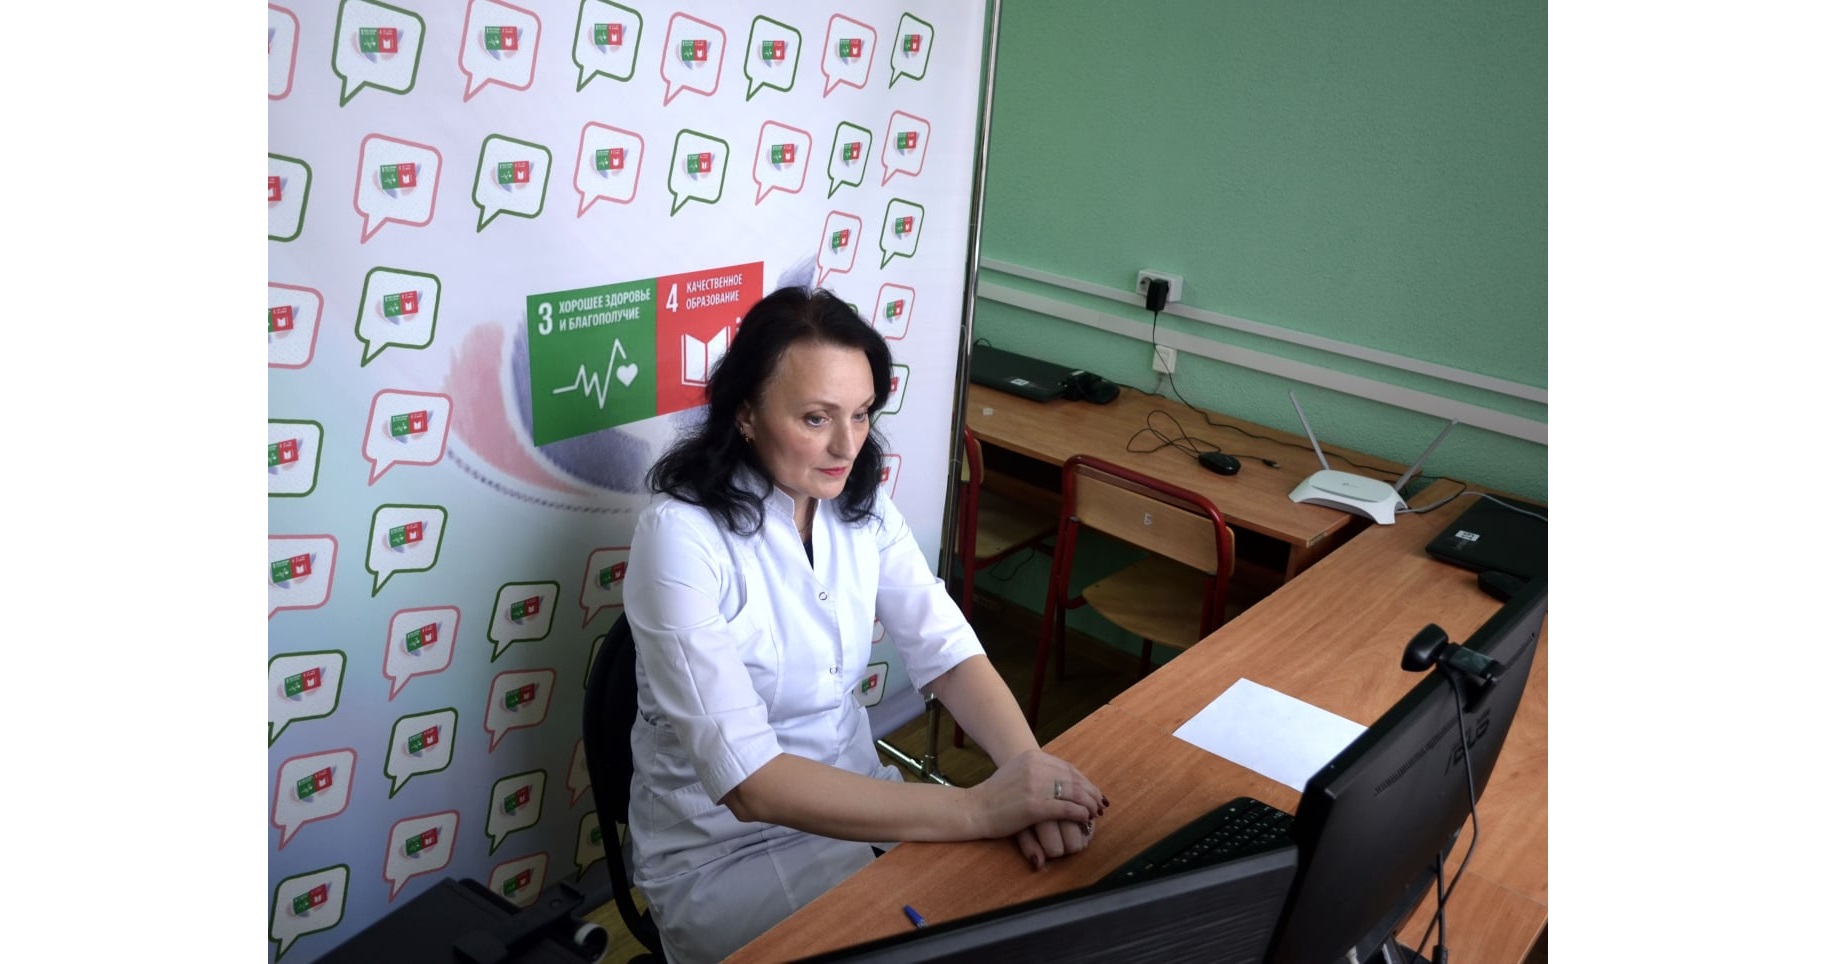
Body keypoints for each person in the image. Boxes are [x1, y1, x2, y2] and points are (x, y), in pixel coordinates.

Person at [620, 286, 1107, 962]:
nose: (847, 445)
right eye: (816, 418)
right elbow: (751, 783)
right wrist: (980, 808)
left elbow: (949, 654)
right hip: (725, 853)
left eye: (861, 413)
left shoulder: (859, 504)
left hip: (863, 804)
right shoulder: (679, 537)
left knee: (1009, 909)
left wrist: (1029, 774)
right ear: (746, 414)